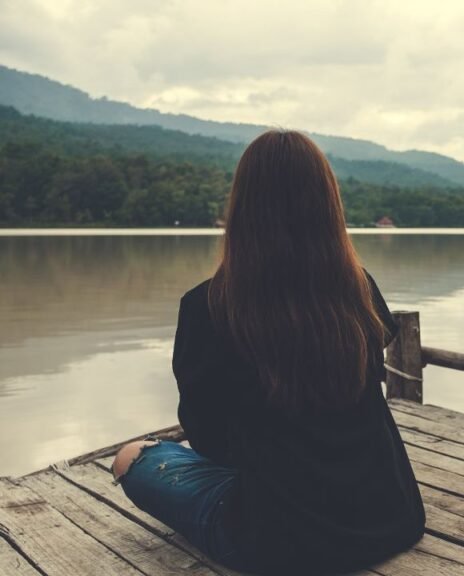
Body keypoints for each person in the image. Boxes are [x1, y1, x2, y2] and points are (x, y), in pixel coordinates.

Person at [109, 130, 426, 575]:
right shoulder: (360, 289)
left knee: (132, 457)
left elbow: (210, 440)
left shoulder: (206, 306)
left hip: (280, 541)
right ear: (328, 205)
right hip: (390, 517)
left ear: (241, 207)